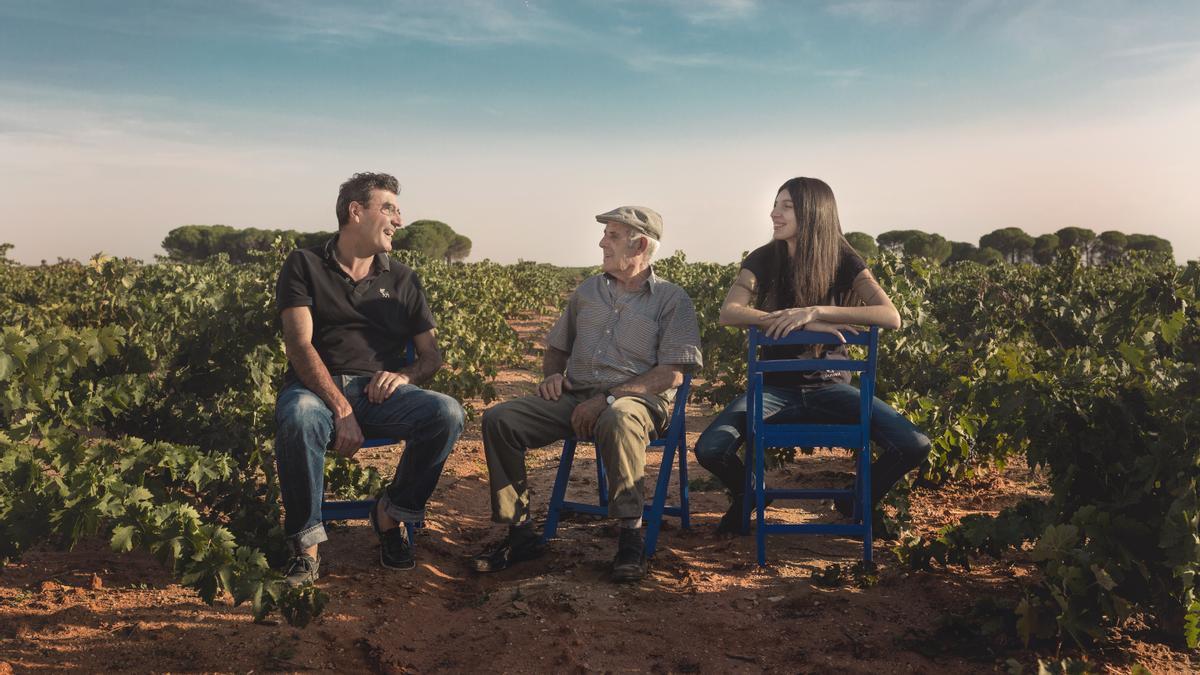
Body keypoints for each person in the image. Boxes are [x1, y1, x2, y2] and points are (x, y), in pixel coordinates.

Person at [471, 206, 702, 582]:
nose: (601, 242)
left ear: (640, 244)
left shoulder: (672, 300)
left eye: (612, 236)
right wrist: (551, 377)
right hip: (576, 397)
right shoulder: (587, 290)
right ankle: (520, 531)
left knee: (619, 417)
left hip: (637, 401)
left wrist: (608, 397)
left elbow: (672, 372)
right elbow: (556, 348)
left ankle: (630, 537)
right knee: (502, 419)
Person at [693, 177, 931, 535]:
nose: (774, 213)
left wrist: (816, 312)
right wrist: (794, 319)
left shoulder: (844, 259)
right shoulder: (763, 258)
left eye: (785, 206)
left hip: (831, 388)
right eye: (775, 205)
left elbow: (889, 316)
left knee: (913, 445)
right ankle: (751, 493)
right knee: (711, 448)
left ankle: (858, 500)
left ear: (813, 212)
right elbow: (730, 312)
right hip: (773, 390)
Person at [274, 172, 464, 585]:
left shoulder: (404, 278)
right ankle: (306, 547)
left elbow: (431, 356)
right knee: (299, 418)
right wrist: (341, 408)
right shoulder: (304, 264)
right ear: (356, 212)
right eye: (389, 208)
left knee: (446, 413)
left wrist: (403, 375)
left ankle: (390, 514)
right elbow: (299, 346)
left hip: (382, 396)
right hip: (316, 391)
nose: (399, 219)